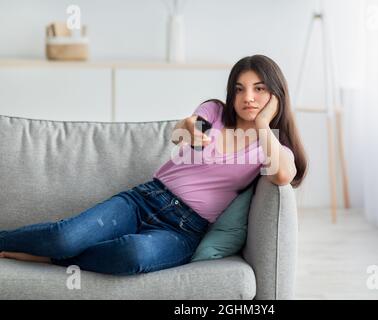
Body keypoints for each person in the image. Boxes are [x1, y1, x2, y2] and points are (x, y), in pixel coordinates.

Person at [0, 54, 308, 275]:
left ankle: (52, 260)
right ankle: (45, 248)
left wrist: (265, 123)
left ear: (275, 95)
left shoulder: (273, 147)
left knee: (132, 255)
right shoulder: (215, 112)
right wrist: (187, 129)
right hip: (143, 200)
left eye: (259, 89)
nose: (248, 97)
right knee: (62, 237)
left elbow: (282, 175)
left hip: (185, 229)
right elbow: (186, 129)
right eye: (240, 88)